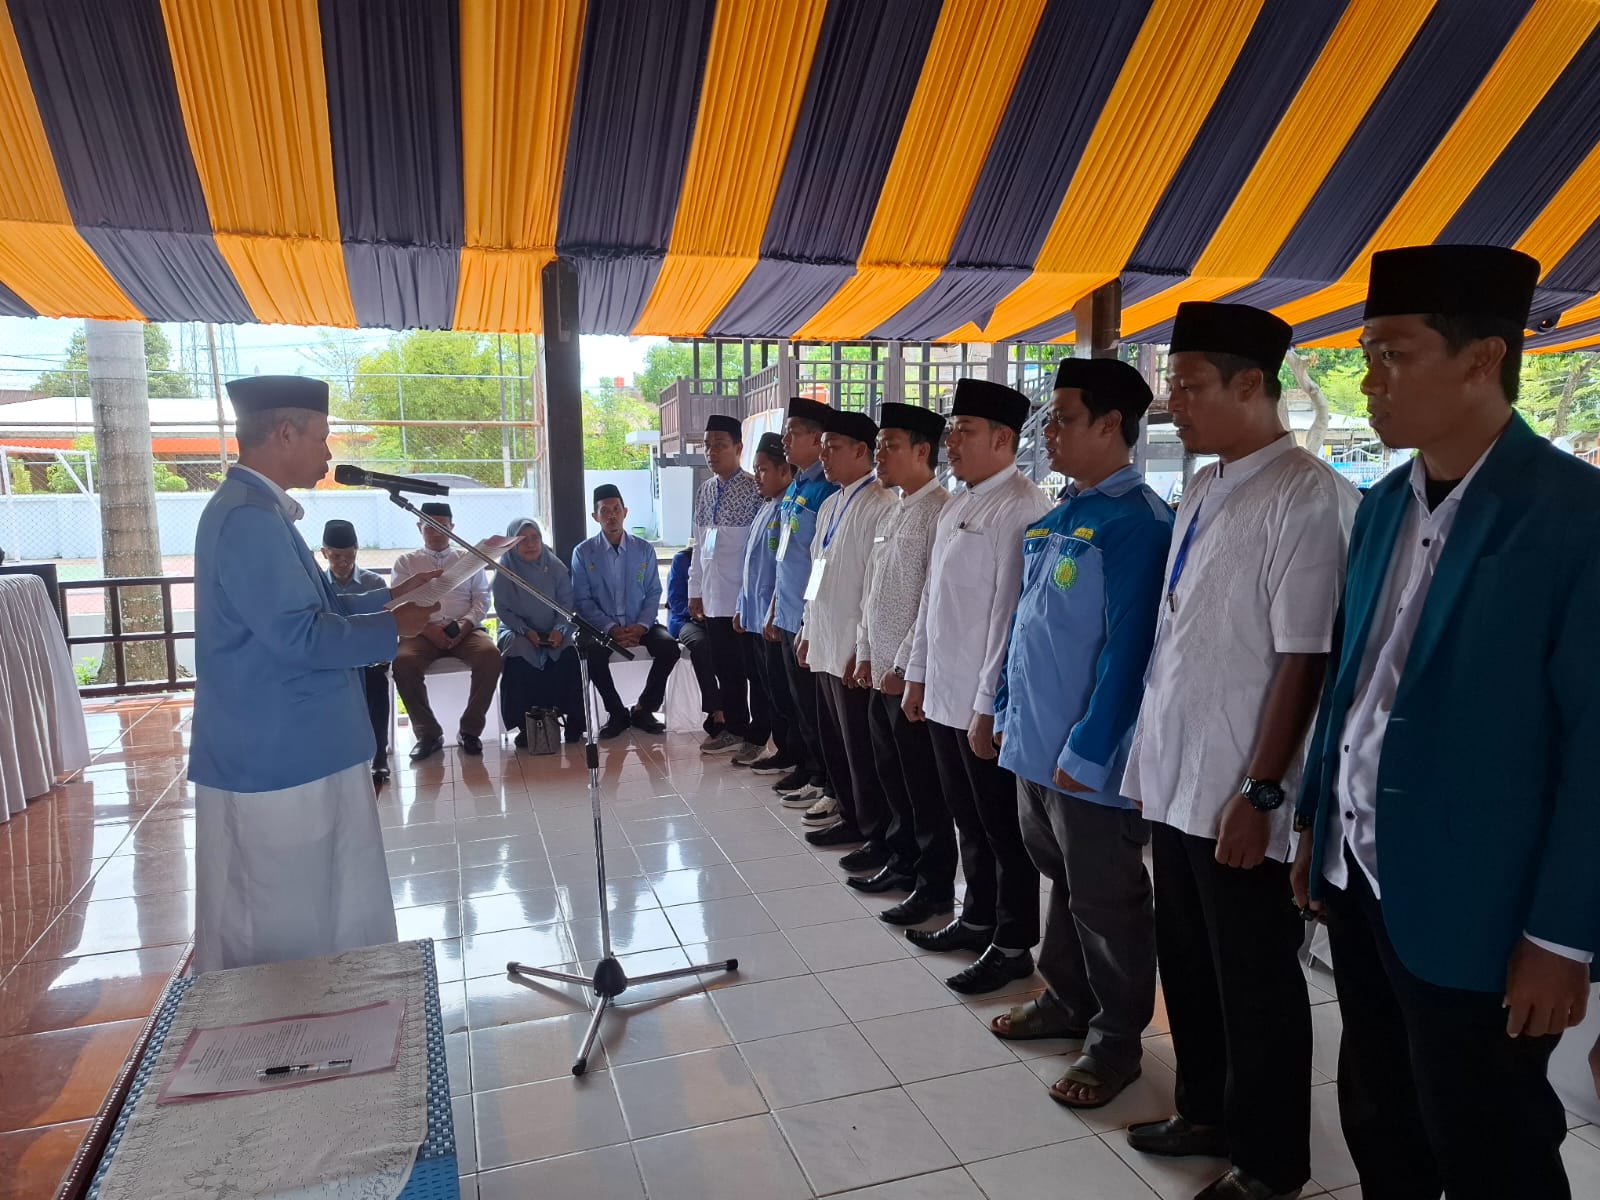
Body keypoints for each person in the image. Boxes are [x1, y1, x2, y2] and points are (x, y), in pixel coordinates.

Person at [1292, 245, 1600, 1200]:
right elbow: (1351, 681)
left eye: (1394, 353)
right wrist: (1313, 823)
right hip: (1361, 873)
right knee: (1380, 1112)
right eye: (1366, 355)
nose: (1370, 381)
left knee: (1490, 1142)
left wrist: (1562, 938)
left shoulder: (1571, 515)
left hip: (1483, 904)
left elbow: (1595, 747)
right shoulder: (1384, 505)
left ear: (1483, 358)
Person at [1121, 302, 1358, 1200]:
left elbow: (1306, 656)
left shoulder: (1307, 495)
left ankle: (1269, 1161)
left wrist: (1261, 793)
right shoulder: (1205, 485)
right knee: (1187, 960)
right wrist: (1149, 765)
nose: (1172, 405)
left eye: (1188, 387)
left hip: (1242, 790)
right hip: (1179, 775)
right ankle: (1205, 1111)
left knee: (1255, 979)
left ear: (1251, 384)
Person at [189, 375, 438, 972]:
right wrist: (394, 627)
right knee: (289, 918)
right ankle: (296, 1017)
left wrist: (391, 597)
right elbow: (299, 635)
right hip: (279, 755)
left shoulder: (260, 512)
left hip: (298, 744)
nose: (328, 453)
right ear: (285, 433)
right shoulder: (248, 519)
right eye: (322, 437)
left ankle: (334, 1006)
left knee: (325, 902)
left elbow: (317, 607)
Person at [988, 358, 1171, 1110]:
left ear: (1111, 425)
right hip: (1034, 744)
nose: (1049, 432)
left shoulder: (1139, 524)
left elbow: (1131, 652)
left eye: (1064, 418)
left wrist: (1090, 749)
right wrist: (1003, 709)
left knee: (1107, 900)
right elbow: (1025, 630)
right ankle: (1065, 998)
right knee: (1062, 880)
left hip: (1086, 757)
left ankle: (1116, 1040)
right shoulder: (1058, 519)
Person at [903, 378, 1050, 995]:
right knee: (967, 819)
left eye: (964, 431)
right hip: (943, 692)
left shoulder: (1022, 507)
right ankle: (978, 918)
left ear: (1003, 438)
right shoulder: (958, 504)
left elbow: (1007, 620)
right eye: (952, 431)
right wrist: (916, 674)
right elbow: (933, 601)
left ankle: (1013, 944)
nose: (952, 443)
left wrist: (987, 706)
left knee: (1002, 829)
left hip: (981, 703)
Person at [849, 402, 956, 925]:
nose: (879, 455)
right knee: (891, 774)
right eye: (878, 446)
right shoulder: (893, 508)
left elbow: (930, 602)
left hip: (910, 676)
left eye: (889, 445)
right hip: (881, 670)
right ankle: (901, 860)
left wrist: (903, 665)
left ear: (922, 451)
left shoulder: (940, 510)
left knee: (922, 787)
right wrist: (865, 650)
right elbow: (874, 590)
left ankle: (933, 886)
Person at [796, 407, 896, 868]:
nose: (824, 456)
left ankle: (874, 831)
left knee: (862, 749)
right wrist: (805, 628)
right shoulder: (830, 505)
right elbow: (816, 573)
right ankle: (849, 815)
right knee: (834, 740)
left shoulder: (881, 504)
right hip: (823, 637)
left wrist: (863, 646)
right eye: (823, 448)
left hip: (853, 647)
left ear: (861, 451)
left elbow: (875, 586)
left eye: (832, 447)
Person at [764, 397, 840, 806]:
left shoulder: (828, 489)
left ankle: (825, 777)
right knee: (795, 702)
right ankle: (809, 767)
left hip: (810, 616)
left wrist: (805, 617)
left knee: (815, 708)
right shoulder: (797, 485)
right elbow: (786, 556)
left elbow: (820, 563)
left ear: (816, 438)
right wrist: (776, 606)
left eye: (792, 432)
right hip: (788, 610)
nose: (785, 440)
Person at [390, 502, 500, 761]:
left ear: (452, 527)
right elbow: (400, 603)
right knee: (403, 663)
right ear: (419, 527)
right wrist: (428, 630)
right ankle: (428, 734)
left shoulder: (469, 559)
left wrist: (465, 624)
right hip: (421, 632)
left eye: (442, 526)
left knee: (490, 656)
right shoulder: (406, 562)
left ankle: (470, 730)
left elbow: (482, 598)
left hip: (465, 629)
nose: (437, 532)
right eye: (430, 526)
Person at [572, 483, 678, 737]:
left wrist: (641, 626)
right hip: (602, 628)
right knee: (591, 655)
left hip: (640, 624)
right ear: (595, 516)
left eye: (616, 509)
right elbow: (582, 600)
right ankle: (617, 713)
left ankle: (644, 709)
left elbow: (653, 592)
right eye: (604, 511)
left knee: (669, 648)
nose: (611, 516)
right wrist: (611, 629)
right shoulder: (583, 552)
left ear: (625, 512)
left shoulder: (644, 549)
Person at [688, 414, 765, 755]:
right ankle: (734, 728)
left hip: (744, 600)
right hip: (714, 597)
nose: (711, 452)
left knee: (753, 671)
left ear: (738, 447)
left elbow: (757, 552)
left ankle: (758, 737)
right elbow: (699, 546)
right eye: (707, 446)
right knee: (725, 668)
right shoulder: (705, 490)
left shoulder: (754, 489)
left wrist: (748, 599)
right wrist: (695, 591)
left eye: (719, 445)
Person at [493, 517, 584, 747]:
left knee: (570, 654)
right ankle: (527, 725)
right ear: (512, 543)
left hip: (556, 628)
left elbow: (566, 603)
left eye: (535, 538)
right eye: (523, 540)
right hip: (518, 629)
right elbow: (503, 609)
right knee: (518, 653)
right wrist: (525, 630)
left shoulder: (554, 566)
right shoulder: (505, 570)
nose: (531, 544)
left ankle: (574, 721)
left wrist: (560, 629)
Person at [735, 433, 796, 772]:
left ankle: (790, 751)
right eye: (756, 469)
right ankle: (779, 747)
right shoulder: (766, 506)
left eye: (763, 470)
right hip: (755, 616)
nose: (757, 476)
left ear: (784, 470)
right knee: (763, 685)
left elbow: (783, 569)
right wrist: (741, 607)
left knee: (781, 691)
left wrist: (772, 611)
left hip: (774, 618)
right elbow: (751, 564)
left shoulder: (789, 509)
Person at [319, 518, 393, 782]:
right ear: (324, 553)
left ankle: (379, 755)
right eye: (336, 556)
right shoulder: (317, 585)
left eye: (349, 556)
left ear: (356, 551)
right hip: (332, 661)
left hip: (366, 658)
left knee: (377, 684)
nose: (343, 562)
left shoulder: (374, 583)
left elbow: (383, 625)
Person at [668, 544, 722, 737]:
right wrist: (698, 612)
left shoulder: (723, 558)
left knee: (730, 646)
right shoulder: (682, 559)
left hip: (717, 619)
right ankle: (716, 710)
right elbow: (675, 601)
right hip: (687, 620)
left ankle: (734, 710)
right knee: (702, 646)